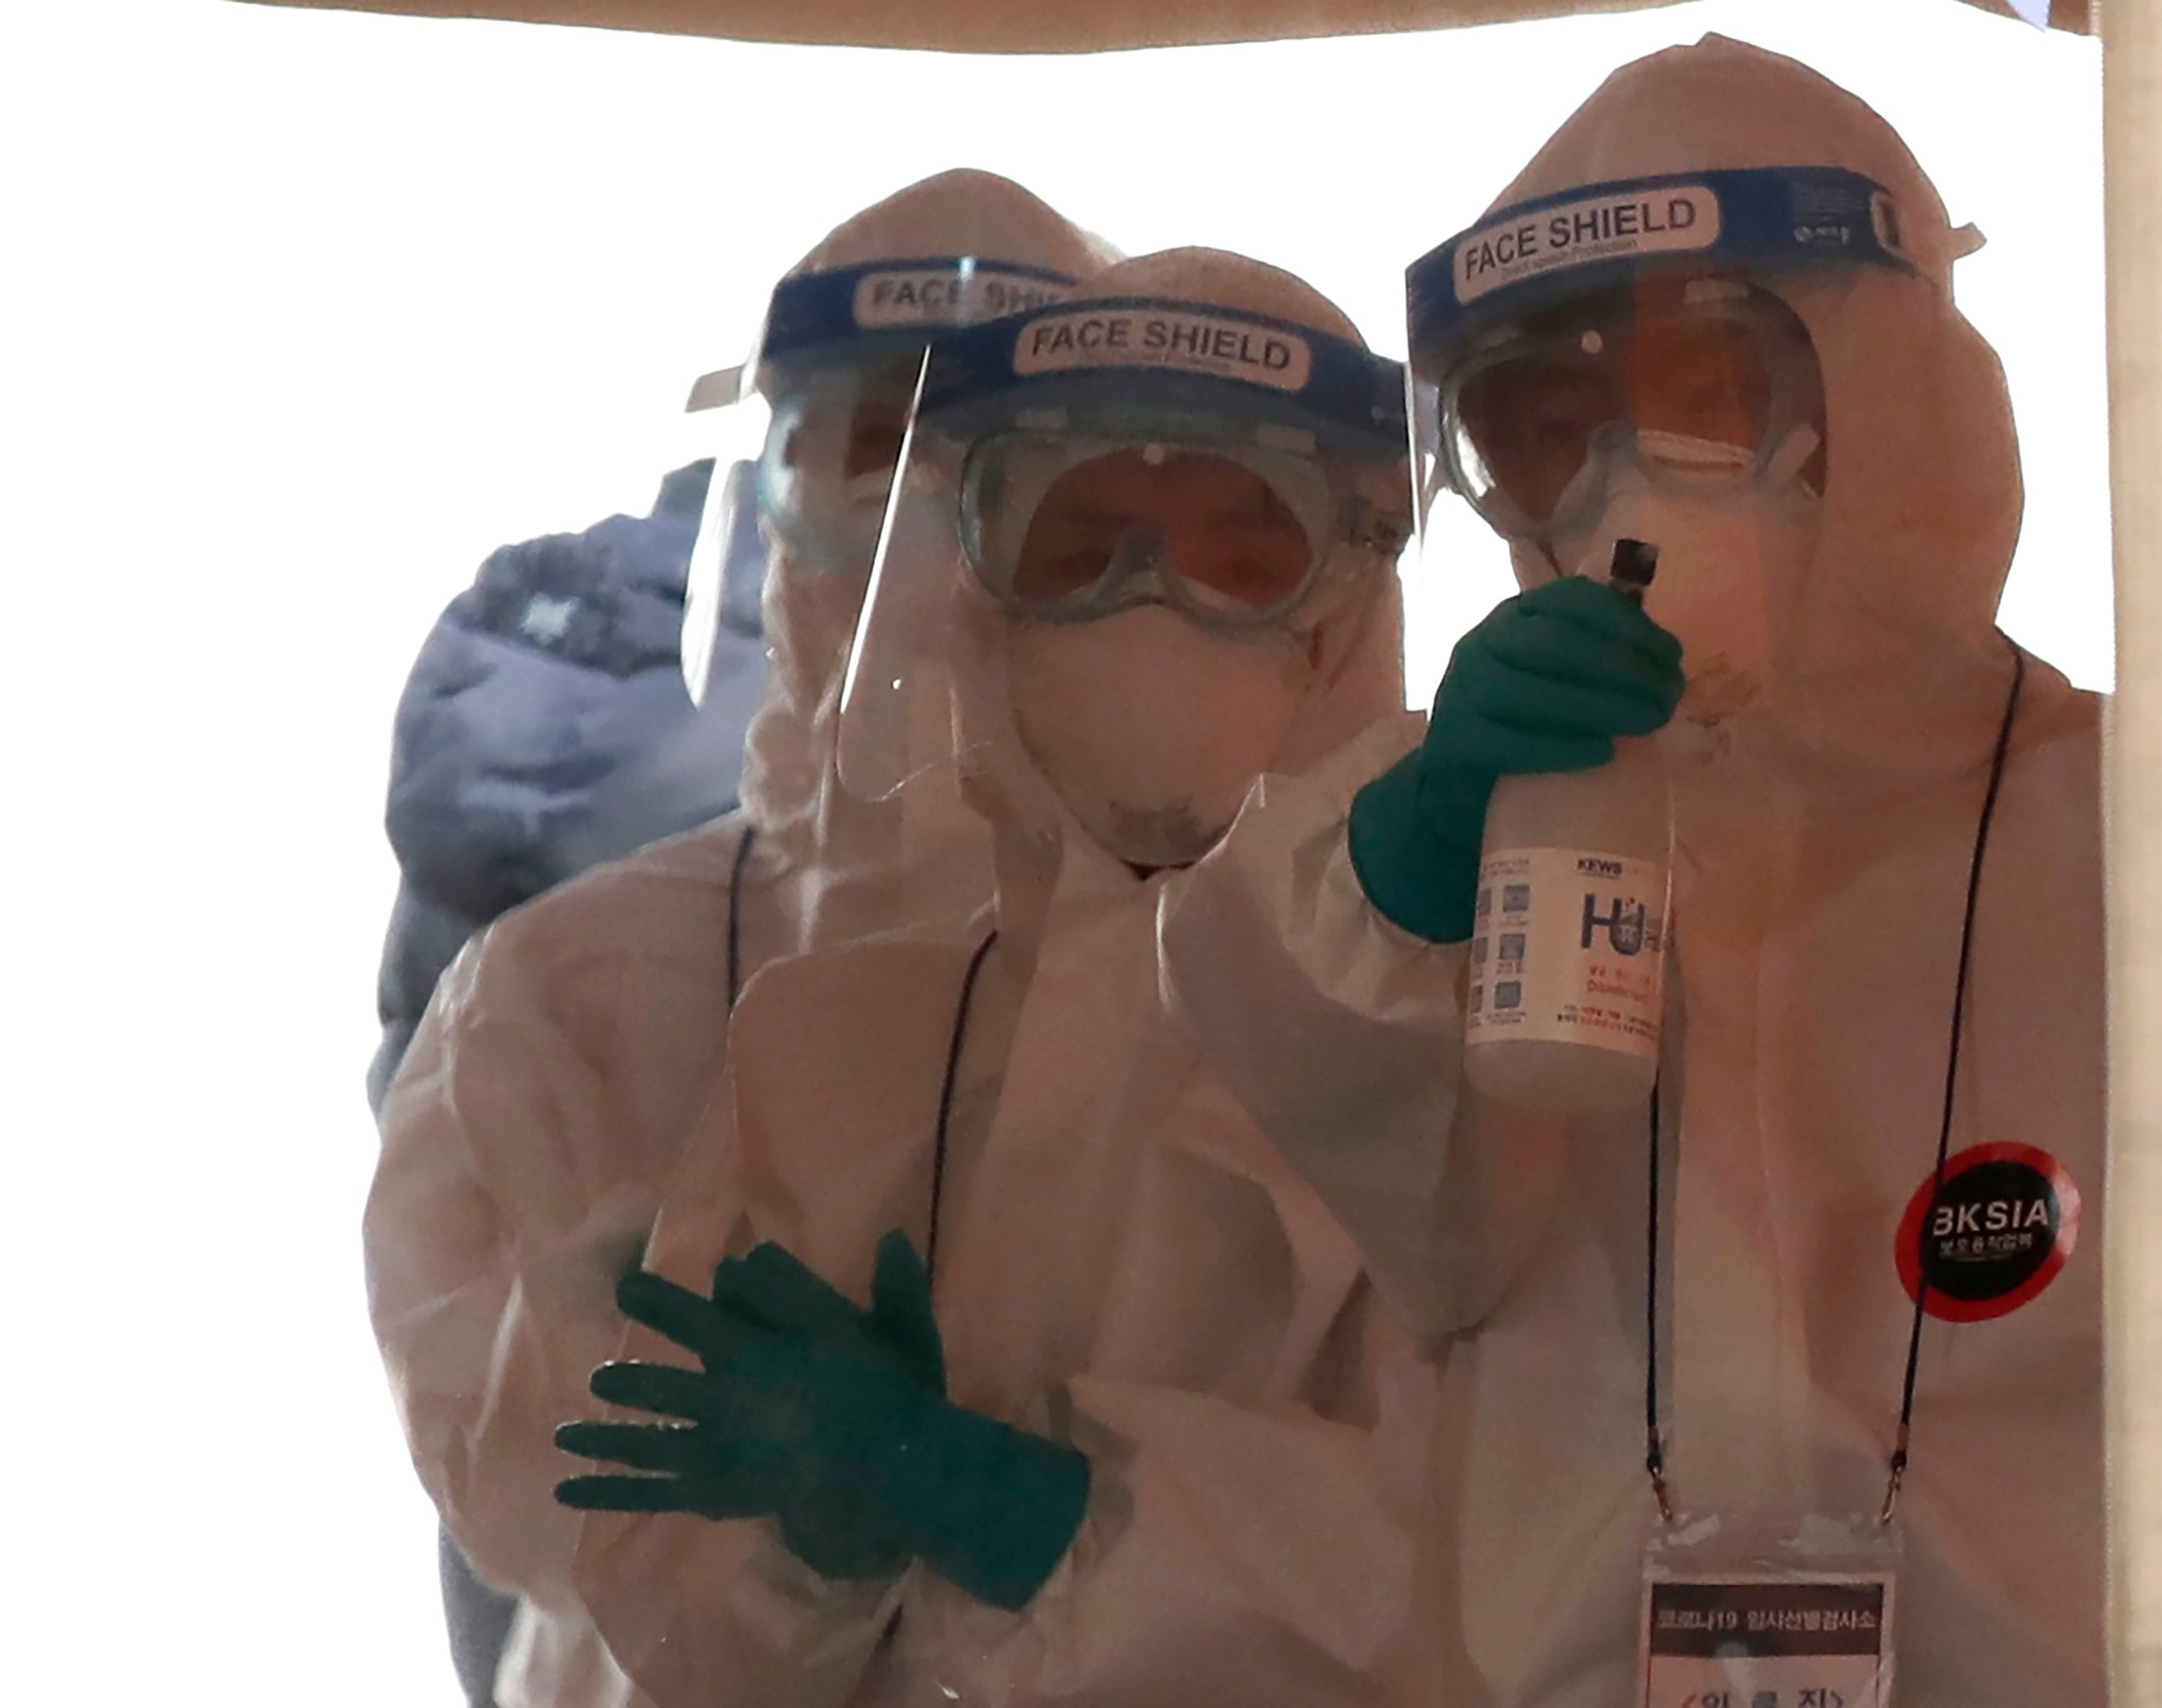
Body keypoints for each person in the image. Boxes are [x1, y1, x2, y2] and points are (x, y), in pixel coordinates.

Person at [1160, 36, 2106, 1708]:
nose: (1618, 484)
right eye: (1544, 431)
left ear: (1888, 393)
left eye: (1701, 395)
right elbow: (1397, 1203)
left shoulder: (2153, 835)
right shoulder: (1446, 823)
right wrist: (1407, 890)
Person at [553, 249, 1436, 1708]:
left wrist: (1024, 1518)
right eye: (1081, 542)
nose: (1145, 603)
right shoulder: (834, 1045)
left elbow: (1500, 1564)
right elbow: (678, 1627)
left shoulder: (1457, 1036)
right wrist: (803, 1559)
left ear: (1343, 605)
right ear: (982, 589)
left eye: (1235, 548)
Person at [367, 168, 1109, 1708]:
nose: (916, 523)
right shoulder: (565, 992)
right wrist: (616, 1312)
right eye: (862, 449)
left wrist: (1002, 1503)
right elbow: (502, 1495)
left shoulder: (1229, 962)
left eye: (998, 461)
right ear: (766, 499)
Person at [370, 454, 768, 1708]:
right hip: (695, 1185)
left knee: (520, 1532)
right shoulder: (828, 638)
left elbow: (422, 977)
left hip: (490, 1154)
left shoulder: (546, 596)